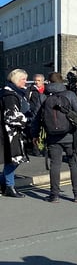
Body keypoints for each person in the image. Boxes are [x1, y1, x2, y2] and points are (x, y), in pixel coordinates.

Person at [33, 72, 77, 203]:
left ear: (49, 82)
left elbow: (36, 118)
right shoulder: (69, 94)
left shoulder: (43, 97)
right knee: (74, 164)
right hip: (70, 135)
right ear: (61, 81)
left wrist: (34, 135)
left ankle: (54, 195)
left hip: (52, 136)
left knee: (55, 165)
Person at [0, 69, 30, 198]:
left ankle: (7, 184)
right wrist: (27, 119)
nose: (25, 81)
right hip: (9, 133)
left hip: (10, 132)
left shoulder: (10, 92)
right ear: (16, 79)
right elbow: (11, 116)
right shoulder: (10, 95)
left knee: (11, 160)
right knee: (13, 160)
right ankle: (8, 186)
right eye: (23, 79)